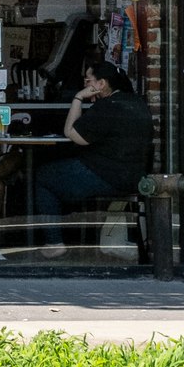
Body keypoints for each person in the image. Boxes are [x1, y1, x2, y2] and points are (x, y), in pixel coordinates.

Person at [31, 53, 152, 251]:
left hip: (105, 175)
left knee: (44, 177)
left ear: (102, 83)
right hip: (135, 177)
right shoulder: (137, 103)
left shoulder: (106, 107)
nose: (86, 84)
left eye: (88, 81)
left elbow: (72, 134)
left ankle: (54, 242)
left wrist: (78, 97)